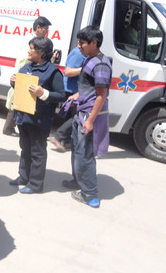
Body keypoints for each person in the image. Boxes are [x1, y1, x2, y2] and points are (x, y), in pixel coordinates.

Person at [62, 26, 112, 209]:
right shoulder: (88, 60)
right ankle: (78, 181)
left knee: (85, 154)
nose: (79, 46)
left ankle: (90, 194)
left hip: (88, 116)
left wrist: (90, 121)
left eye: (82, 43)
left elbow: (101, 95)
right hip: (81, 112)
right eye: (78, 42)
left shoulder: (101, 64)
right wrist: (77, 95)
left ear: (94, 43)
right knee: (76, 149)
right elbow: (89, 87)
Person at [9, 36, 65, 194]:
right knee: (25, 148)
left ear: (41, 52)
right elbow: (19, 88)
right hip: (23, 116)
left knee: (37, 152)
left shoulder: (53, 72)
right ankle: (23, 177)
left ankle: (35, 184)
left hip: (39, 119)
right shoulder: (27, 67)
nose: (29, 50)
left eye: (32, 48)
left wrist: (43, 93)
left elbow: (61, 95)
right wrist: (13, 82)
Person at [3, 16, 54, 136]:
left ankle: (11, 127)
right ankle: (8, 128)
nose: (46, 32)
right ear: (38, 28)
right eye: (45, 29)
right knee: (15, 102)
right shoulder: (30, 42)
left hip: (27, 77)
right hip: (24, 76)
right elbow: (22, 61)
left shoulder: (35, 41)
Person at [48, 46, 87, 152]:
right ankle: (58, 136)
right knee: (78, 116)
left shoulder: (83, 52)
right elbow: (68, 72)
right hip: (71, 89)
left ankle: (66, 140)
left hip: (76, 89)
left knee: (72, 115)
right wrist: (85, 68)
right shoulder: (78, 53)